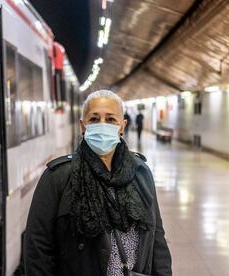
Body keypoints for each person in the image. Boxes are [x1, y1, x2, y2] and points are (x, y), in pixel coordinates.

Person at [24, 90, 172, 276]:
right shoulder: (58, 177)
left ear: (122, 126)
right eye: (94, 119)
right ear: (82, 126)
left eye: (110, 120)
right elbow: (38, 247)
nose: (102, 125)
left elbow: (156, 236)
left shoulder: (140, 173)